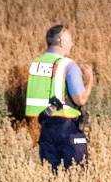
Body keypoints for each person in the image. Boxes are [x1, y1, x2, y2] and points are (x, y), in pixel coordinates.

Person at [25, 24, 94, 170]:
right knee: (76, 174)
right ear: (61, 41)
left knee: (52, 175)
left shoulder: (36, 64)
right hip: (66, 128)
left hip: (42, 128)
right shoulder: (68, 65)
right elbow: (80, 99)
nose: (72, 44)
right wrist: (90, 80)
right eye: (70, 40)